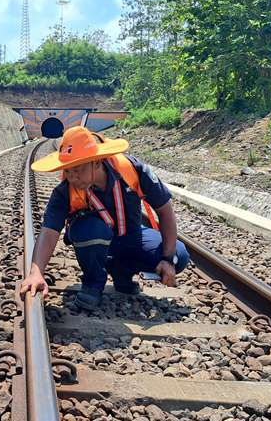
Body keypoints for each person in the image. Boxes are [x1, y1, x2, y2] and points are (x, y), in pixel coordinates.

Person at [19, 126, 190, 311]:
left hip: (131, 238)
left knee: (178, 255)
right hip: (97, 241)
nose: (72, 176)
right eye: (67, 170)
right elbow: (49, 231)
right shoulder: (64, 192)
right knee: (90, 229)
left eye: (78, 168)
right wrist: (36, 273)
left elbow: (165, 211)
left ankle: (122, 273)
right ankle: (93, 283)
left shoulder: (132, 170)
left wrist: (167, 259)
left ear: (97, 161)